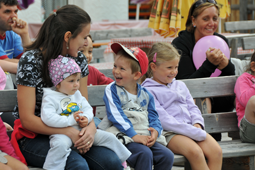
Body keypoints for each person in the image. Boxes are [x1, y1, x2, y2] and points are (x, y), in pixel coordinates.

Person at [11, 5, 125, 170]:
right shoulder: (31, 61)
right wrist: (68, 132)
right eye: (84, 37)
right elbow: (27, 119)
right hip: (36, 135)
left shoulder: (78, 59)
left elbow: (82, 104)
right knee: (77, 165)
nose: (86, 42)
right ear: (68, 36)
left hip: (74, 130)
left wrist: (90, 129)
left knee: (111, 162)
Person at [141, 42, 222, 170]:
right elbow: (164, 120)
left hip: (192, 129)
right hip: (170, 133)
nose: (174, 72)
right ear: (153, 66)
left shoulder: (180, 85)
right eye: (169, 67)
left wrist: (197, 123)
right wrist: (192, 132)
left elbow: (192, 107)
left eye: (176, 67)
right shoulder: (147, 91)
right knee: (196, 153)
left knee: (216, 151)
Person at [41, 55, 131, 170]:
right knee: (59, 146)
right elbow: (48, 118)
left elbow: (87, 108)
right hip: (62, 133)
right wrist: (70, 120)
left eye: (78, 80)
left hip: (83, 131)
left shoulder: (76, 94)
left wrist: (86, 118)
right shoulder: (50, 97)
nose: (76, 84)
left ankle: (123, 162)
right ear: (58, 83)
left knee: (110, 137)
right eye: (71, 81)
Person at [101, 43, 174, 170]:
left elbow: (154, 117)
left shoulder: (146, 94)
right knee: (144, 154)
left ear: (136, 75)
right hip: (123, 135)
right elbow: (116, 115)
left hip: (143, 134)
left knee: (167, 155)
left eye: (122, 69)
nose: (116, 71)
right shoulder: (112, 90)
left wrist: (155, 132)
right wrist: (133, 135)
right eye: (115, 66)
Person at [171, 0, 235, 141]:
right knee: (202, 97)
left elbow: (230, 77)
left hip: (220, 102)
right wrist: (210, 64)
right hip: (189, 102)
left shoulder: (221, 41)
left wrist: (226, 66)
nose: (211, 23)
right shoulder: (180, 43)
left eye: (215, 18)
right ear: (193, 20)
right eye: (205, 19)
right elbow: (186, 83)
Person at [79, 35, 113, 118]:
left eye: (90, 51)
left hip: (90, 119)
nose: (86, 55)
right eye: (81, 51)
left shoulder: (93, 72)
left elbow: (112, 84)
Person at [234, 52, 255, 143]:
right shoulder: (243, 79)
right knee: (253, 101)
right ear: (253, 66)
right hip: (249, 130)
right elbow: (245, 101)